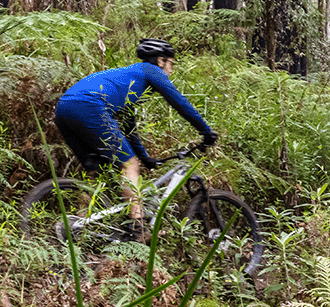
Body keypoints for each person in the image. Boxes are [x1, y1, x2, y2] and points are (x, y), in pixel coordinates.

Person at [53, 38, 218, 234]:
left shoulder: (130, 79)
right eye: (170, 64)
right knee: (128, 164)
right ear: (160, 61)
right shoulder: (150, 71)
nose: (171, 71)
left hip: (64, 110)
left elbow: (127, 124)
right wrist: (205, 131)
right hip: (89, 107)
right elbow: (179, 102)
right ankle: (137, 225)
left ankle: (77, 226)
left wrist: (144, 156)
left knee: (94, 170)